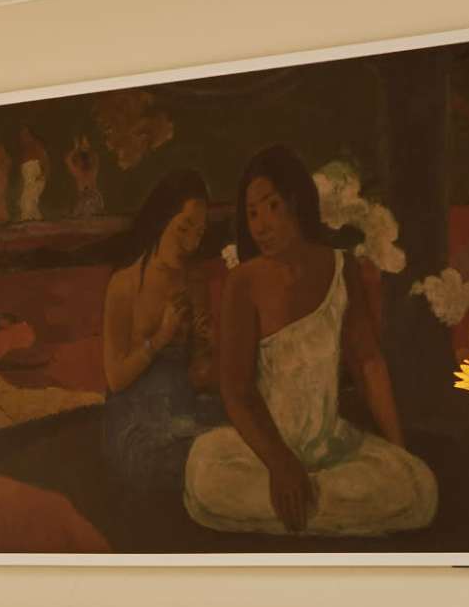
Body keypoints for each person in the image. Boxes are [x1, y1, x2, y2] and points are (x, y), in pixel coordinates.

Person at [181, 145, 438, 536]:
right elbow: (236, 389)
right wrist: (280, 464)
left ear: (297, 203)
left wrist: (398, 449)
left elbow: (368, 363)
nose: (261, 225)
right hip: (261, 453)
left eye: (271, 207)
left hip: (330, 450)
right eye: (251, 213)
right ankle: (305, 501)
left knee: (416, 485)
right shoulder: (243, 283)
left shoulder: (340, 268)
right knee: (206, 480)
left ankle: (306, 503)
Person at [95, 169, 218, 494]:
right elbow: (115, 378)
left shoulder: (196, 282)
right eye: (184, 228)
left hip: (185, 406)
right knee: (192, 467)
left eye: (200, 232)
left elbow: (200, 376)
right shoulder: (124, 284)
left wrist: (208, 345)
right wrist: (162, 336)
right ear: (163, 219)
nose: (192, 241)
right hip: (136, 418)